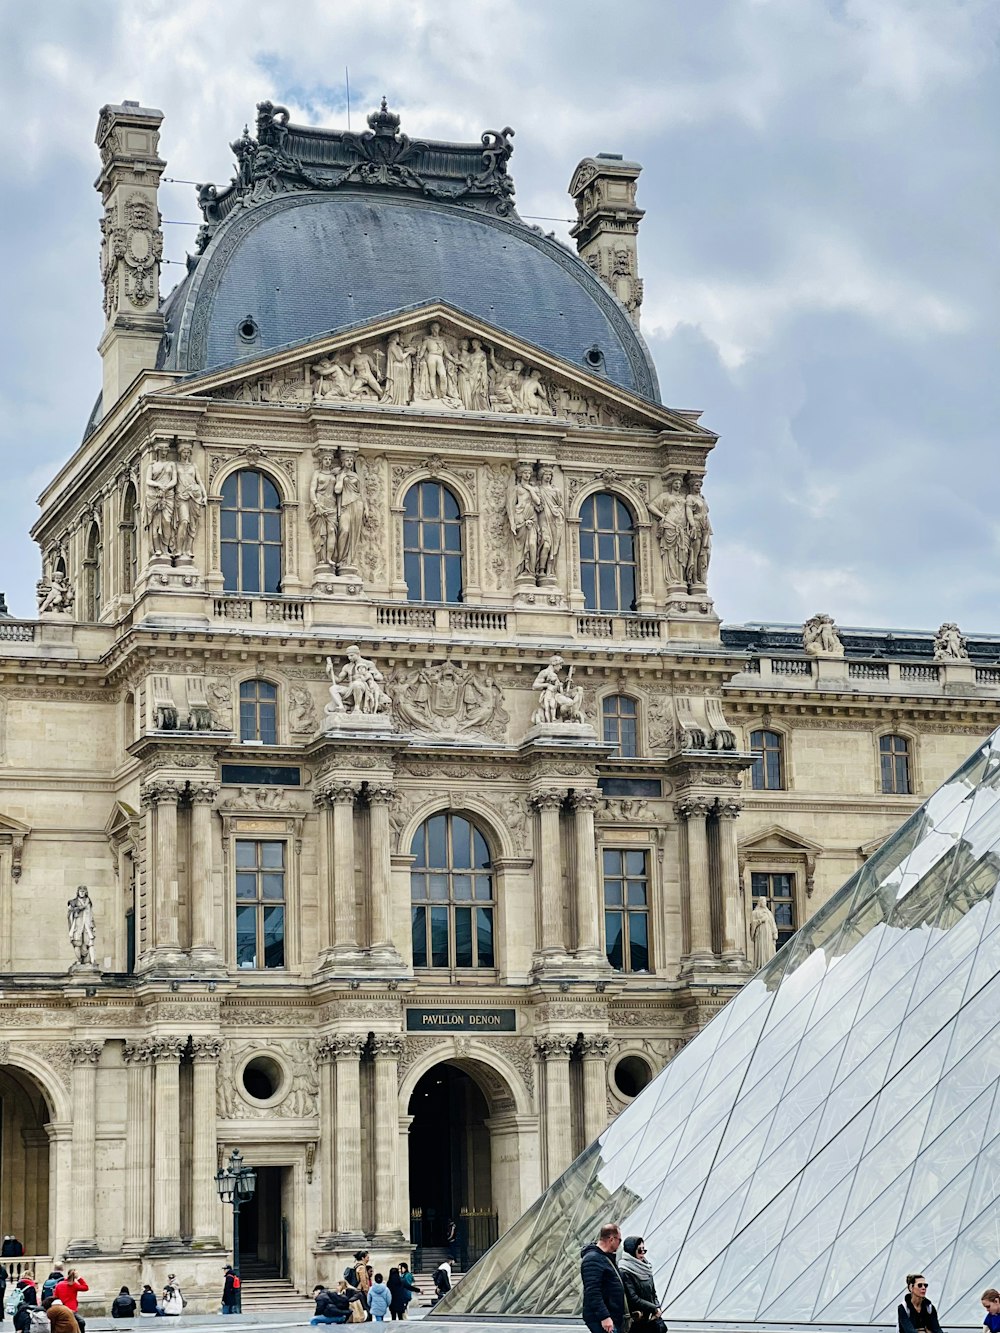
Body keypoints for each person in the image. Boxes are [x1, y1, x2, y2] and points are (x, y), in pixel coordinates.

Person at [580, 1222, 626, 1333]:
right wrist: (604, 1317)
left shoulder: (604, 1257)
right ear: (611, 1239)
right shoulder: (592, 1259)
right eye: (619, 1240)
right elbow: (592, 1291)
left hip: (612, 1315)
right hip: (602, 1318)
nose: (620, 1244)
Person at [618, 1237, 665, 1333]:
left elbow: (653, 1292)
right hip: (639, 1322)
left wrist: (657, 1307)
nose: (643, 1253)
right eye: (640, 1250)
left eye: (644, 1250)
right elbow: (633, 1298)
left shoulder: (646, 1268)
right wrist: (654, 1308)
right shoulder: (625, 1271)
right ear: (631, 1251)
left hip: (652, 1318)